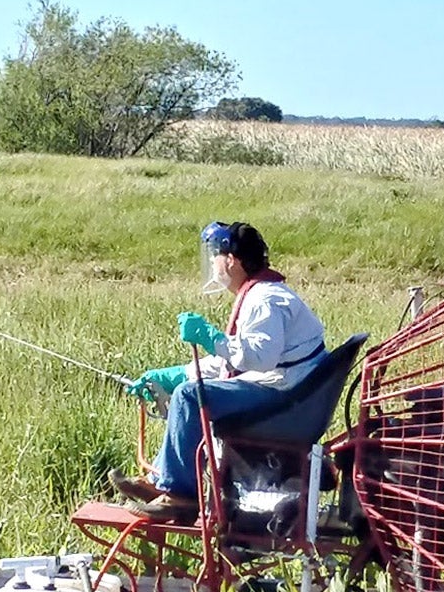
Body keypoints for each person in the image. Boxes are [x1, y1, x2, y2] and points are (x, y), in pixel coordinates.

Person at [110, 221, 326, 520]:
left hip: (284, 398)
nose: (212, 263)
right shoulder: (262, 293)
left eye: (215, 256)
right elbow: (234, 361)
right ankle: (163, 482)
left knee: (189, 396)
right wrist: (172, 374)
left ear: (231, 260)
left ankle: (181, 497)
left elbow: (259, 357)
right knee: (188, 388)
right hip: (284, 389)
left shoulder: (265, 299)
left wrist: (212, 338)